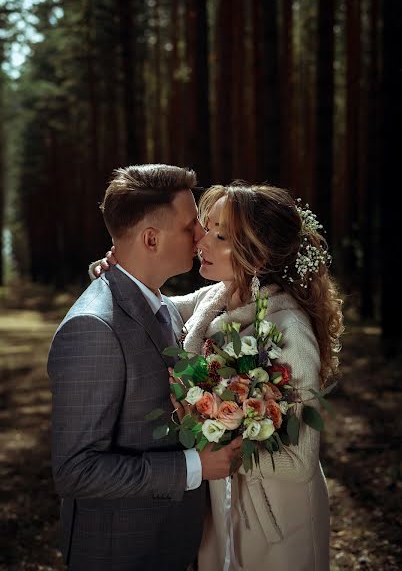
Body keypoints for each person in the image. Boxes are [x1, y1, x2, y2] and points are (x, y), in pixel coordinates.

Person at [92, 181, 344, 571]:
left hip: (276, 516)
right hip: (219, 502)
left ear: (257, 256)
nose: (201, 242)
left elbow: (299, 461)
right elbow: (154, 310)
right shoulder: (216, 297)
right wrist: (120, 272)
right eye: (206, 227)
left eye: (220, 235)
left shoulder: (289, 331)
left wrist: (218, 443)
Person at [48, 164, 242, 571]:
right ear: (151, 239)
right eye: (192, 226)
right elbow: (76, 472)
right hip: (120, 553)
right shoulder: (92, 329)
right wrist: (196, 467)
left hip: (171, 542)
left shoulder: (159, 304)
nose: (202, 237)